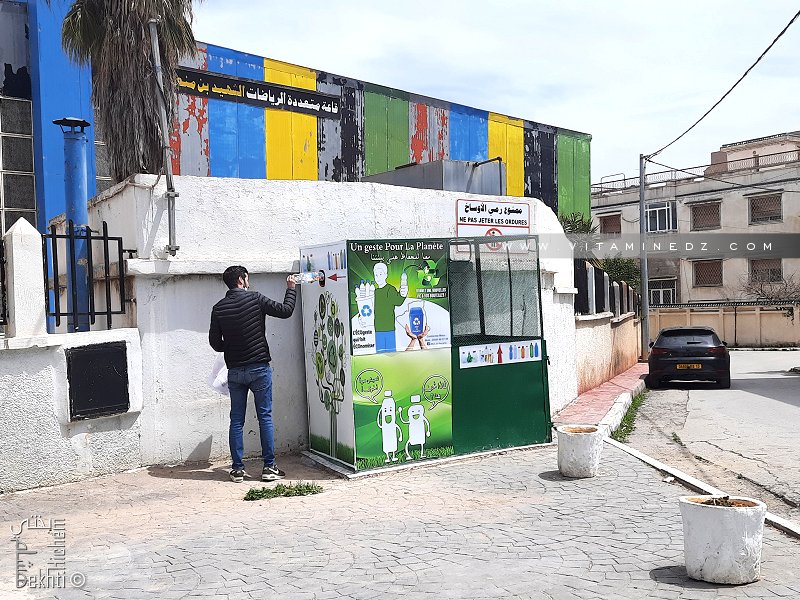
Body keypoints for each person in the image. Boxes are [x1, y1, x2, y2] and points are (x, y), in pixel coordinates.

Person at [209, 266, 296, 483]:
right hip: (259, 368)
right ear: (241, 279)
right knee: (264, 416)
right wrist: (291, 288)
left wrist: (231, 348)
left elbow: (214, 343)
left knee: (236, 419)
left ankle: (237, 469)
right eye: (247, 277)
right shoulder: (255, 299)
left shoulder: (218, 308)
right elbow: (285, 310)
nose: (248, 280)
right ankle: (269, 467)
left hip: (236, 370)